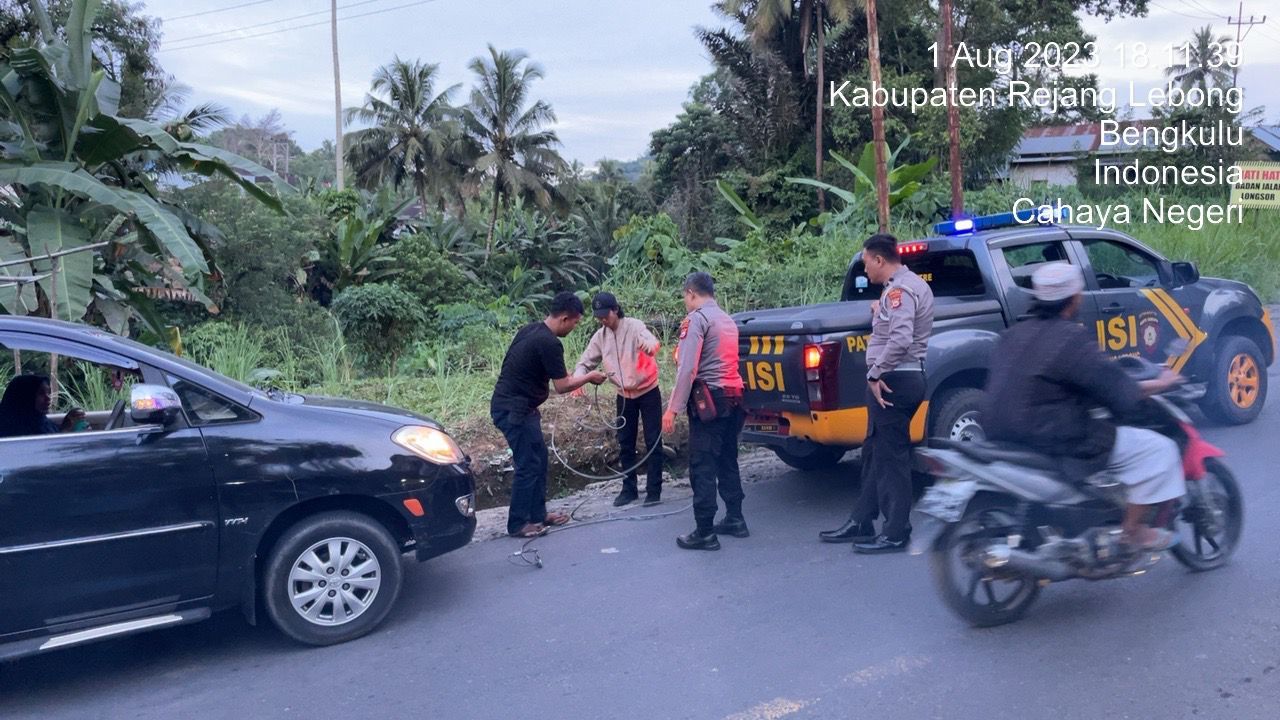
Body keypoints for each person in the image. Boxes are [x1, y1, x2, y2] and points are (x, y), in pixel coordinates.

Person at [982, 262, 1186, 550]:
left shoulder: (1013, 334)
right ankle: (1134, 531)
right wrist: (1161, 383)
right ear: (1075, 299)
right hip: (1049, 434)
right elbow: (1113, 386)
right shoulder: (1070, 338)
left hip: (999, 430)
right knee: (1159, 450)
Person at [820, 234, 935, 554]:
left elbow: (899, 339)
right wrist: (879, 309)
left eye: (866, 262)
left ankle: (897, 531)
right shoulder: (901, 288)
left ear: (880, 260)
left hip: (893, 381)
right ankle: (862, 519)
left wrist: (874, 372)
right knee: (874, 451)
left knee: (891, 459)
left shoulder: (899, 291)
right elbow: (893, 323)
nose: (864, 268)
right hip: (896, 379)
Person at [491, 293, 607, 538]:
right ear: (565, 318)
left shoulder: (530, 330)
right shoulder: (550, 343)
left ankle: (538, 514)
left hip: (520, 408)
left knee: (540, 459)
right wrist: (589, 376)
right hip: (514, 410)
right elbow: (562, 386)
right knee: (528, 463)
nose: (575, 328)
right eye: (575, 323)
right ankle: (518, 523)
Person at [662, 272, 746, 551]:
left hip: (710, 401)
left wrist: (672, 409)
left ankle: (705, 531)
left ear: (690, 293)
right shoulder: (727, 319)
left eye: (685, 297)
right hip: (734, 397)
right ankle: (735, 518)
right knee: (727, 459)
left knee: (702, 465)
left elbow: (688, 369)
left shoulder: (697, 320)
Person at [572, 292, 665, 507]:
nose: (603, 320)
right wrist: (578, 379)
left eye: (606, 315)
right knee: (625, 443)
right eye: (599, 317)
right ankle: (629, 489)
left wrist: (649, 347)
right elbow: (585, 362)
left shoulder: (634, 326)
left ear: (615, 310)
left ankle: (654, 490)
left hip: (648, 391)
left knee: (653, 441)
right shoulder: (600, 337)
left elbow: (652, 343)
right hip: (624, 396)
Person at [0, 374, 85, 438]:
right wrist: (66, 432)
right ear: (25, 397)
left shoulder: (39, 421)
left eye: (48, 392)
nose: (48, 398)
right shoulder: (16, 431)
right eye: (41, 393)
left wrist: (66, 426)